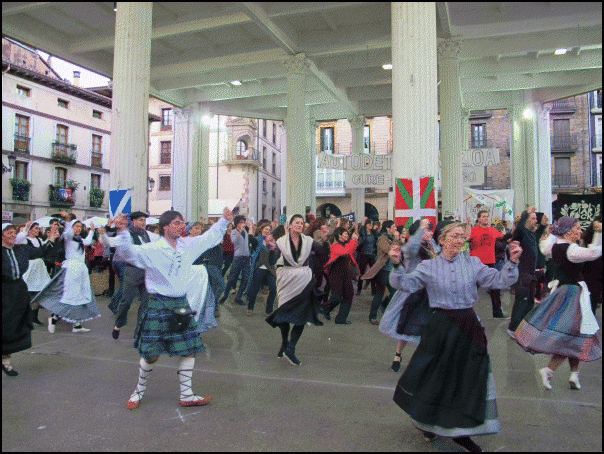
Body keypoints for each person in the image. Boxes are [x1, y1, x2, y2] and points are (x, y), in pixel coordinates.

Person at [389, 222, 522, 453]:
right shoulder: (429, 266)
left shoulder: (473, 263)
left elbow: (500, 281)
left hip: (468, 327)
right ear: (442, 239)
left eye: (462, 237)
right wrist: (396, 264)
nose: (460, 241)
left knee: (468, 378)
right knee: (435, 377)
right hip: (440, 328)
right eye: (455, 236)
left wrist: (512, 262)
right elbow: (404, 284)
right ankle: (428, 421)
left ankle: (461, 432)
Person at [113, 207, 232, 410]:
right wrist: (123, 231)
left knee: (189, 349)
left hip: (180, 304)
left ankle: (186, 394)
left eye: (182, 223)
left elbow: (209, 238)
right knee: (151, 354)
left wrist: (224, 221)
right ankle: (139, 390)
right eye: (177, 223)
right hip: (158, 303)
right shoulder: (153, 249)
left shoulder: (187, 245)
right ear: (165, 227)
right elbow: (128, 253)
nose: (181, 226)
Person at [514, 216, 602, 390]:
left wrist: (554, 232)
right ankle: (549, 370)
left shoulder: (553, 247)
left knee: (576, 334)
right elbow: (594, 253)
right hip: (572, 294)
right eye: (577, 228)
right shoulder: (572, 250)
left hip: (562, 291)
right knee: (571, 335)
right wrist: (599, 233)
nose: (580, 231)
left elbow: (545, 246)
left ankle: (574, 374)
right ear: (569, 232)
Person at [380, 218, 439, 372]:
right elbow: (412, 247)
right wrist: (421, 228)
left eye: (429, 230)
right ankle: (398, 354)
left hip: (430, 294)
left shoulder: (432, 247)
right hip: (413, 293)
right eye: (426, 230)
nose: (429, 233)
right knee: (406, 326)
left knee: (429, 329)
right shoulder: (411, 250)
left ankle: (426, 360)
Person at [266, 214, 324, 366]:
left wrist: (324, 240)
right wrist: (271, 249)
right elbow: (274, 258)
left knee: (303, 314)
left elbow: (322, 252)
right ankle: (285, 342)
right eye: (297, 222)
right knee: (284, 313)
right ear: (290, 225)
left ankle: (291, 348)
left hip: (303, 280)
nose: (300, 225)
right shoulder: (281, 242)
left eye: (302, 223)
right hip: (286, 281)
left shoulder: (309, 241)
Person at [2, 222, 58, 376]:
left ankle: (6, 361)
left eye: (14, 232)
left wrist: (51, 239)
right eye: (9, 232)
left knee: (16, 326)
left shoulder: (21, 249)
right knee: (5, 325)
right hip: (4, 290)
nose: (13, 235)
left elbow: (40, 252)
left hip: (19, 291)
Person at [32, 215, 101, 333]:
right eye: (76, 226)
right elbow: (68, 233)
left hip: (80, 270)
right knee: (69, 297)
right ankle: (54, 318)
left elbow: (88, 241)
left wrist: (92, 231)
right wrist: (68, 223)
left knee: (80, 297)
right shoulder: (68, 237)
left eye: (80, 226)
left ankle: (76, 325)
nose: (78, 228)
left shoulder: (79, 239)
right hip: (72, 270)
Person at [100, 211, 155, 340]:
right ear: (134, 222)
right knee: (126, 301)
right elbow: (108, 243)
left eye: (144, 220)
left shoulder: (147, 235)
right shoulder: (127, 235)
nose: (143, 223)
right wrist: (103, 234)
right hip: (132, 271)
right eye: (141, 220)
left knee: (146, 303)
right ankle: (118, 323)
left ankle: (139, 332)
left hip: (146, 272)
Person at [507, 209, 539, 338]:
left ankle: (523, 327)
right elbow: (519, 228)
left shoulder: (531, 233)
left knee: (530, 302)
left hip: (531, 272)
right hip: (522, 272)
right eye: (533, 218)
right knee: (522, 301)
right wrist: (525, 213)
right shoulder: (521, 231)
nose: (535, 220)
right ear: (526, 220)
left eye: (535, 218)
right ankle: (513, 328)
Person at [469, 211, 507, 318]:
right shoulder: (473, 231)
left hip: (490, 263)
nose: (486, 218)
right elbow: (464, 241)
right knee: (471, 289)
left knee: (495, 288)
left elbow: (504, 238)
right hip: (476, 264)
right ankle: (464, 311)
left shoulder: (493, 230)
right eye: (483, 217)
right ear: (479, 219)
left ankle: (498, 312)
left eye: (487, 216)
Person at [362, 220, 400, 324]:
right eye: (393, 227)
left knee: (391, 292)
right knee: (381, 293)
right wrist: (396, 240)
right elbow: (391, 250)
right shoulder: (383, 239)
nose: (395, 228)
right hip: (382, 270)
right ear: (388, 229)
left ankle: (382, 307)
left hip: (390, 270)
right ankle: (373, 316)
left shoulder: (390, 238)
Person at [323, 226, 360, 325]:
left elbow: (351, 250)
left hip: (346, 273)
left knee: (349, 295)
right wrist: (353, 240)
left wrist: (354, 240)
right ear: (339, 235)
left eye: (347, 234)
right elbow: (344, 252)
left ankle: (341, 318)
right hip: (335, 274)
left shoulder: (345, 244)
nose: (347, 235)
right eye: (345, 234)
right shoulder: (335, 245)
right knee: (336, 297)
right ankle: (325, 308)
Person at [245, 222, 278, 316]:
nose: (267, 231)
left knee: (273, 289)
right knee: (254, 289)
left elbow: (275, 257)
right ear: (261, 230)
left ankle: (269, 310)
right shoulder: (257, 240)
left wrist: (273, 249)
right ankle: (250, 308)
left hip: (270, 269)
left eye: (269, 230)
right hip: (259, 268)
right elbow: (250, 238)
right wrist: (250, 227)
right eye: (266, 229)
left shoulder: (273, 242)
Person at [219, 216, 250, 306]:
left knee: (245, 279)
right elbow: (234, 241)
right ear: (236, 223)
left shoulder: (245, 231)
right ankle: (225, 295)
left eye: (243, 222)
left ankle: (238, 298)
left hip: (247, 258)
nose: (242, 224)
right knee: (232, 278)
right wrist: (239, 232)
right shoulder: (234, 232)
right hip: (238, 258)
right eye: (240, 222)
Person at [581, 216, 602, 314]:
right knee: (592, 296)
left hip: (593, 268)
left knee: (593, 296)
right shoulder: (588, 235)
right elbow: (592, 251)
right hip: (591, 268)